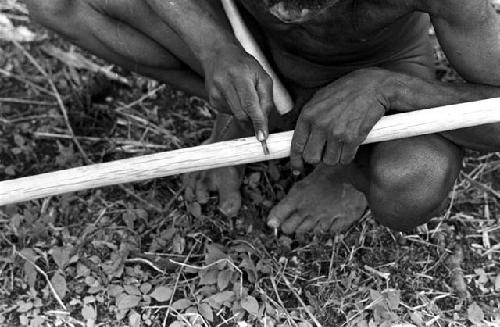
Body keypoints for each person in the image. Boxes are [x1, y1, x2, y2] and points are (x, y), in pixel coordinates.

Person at [24, 0, 500, 234]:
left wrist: (389, 89)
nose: (287, 10)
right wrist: (216, 46)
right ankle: (250, 112)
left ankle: (344, 170)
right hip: (250, 45)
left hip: (378, 73)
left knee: (412, 182)